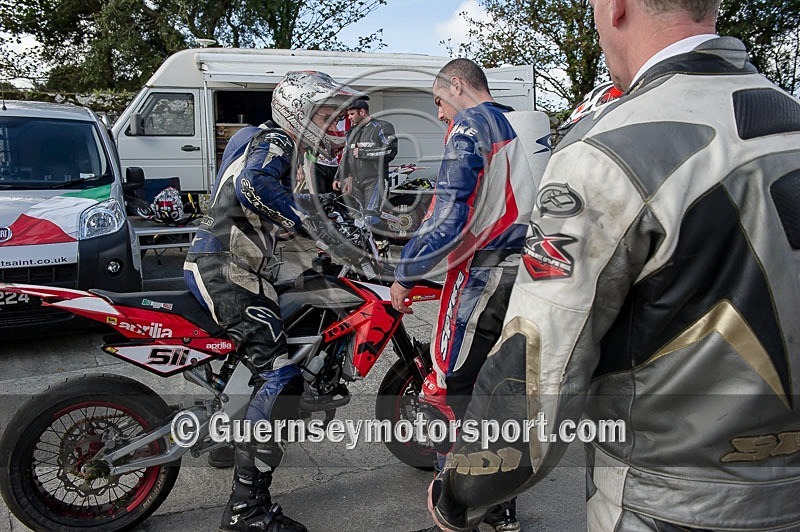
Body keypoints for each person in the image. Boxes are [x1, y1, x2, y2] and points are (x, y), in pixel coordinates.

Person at [426, 1, 800, 531]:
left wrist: (458, 494)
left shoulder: (608, 148)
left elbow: (534, 384)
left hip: (667, 504)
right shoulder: (789, 117)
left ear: (615, 7)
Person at [183, 70, 357, 532]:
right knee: (282, 377)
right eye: (322, 114)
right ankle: (247, 509)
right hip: (227, 270)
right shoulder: (276, 141)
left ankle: (228, 435)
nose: (331, 123)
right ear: (297, 113)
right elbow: (254, 187)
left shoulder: (277, 144)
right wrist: (315, 227)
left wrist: (345, 223)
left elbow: (307, 202)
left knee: (276, 343)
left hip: (236, 265)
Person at [389, 58, 544, 532]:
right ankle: (500, 508)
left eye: (438, 100)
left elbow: (450, 216)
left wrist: (405, 272)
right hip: (527, 273)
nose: (439, 114)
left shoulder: (470, 125)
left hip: (482, 276)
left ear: (457, 86)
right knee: (500, 392)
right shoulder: (516, 124)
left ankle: (454, 511)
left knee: (447, 390)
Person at [334, 97, 398, 225]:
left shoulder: (382, 126)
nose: (349, 118)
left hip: (375, 180)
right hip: (356, 182)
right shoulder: (351, 132)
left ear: (362, 112)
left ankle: (381, 243)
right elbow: (346, 155)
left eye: (352, 114)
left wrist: (364, 153)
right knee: (357, 219)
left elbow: (391, 151)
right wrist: (338, 177)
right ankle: (364, 245)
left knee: (370, 218)